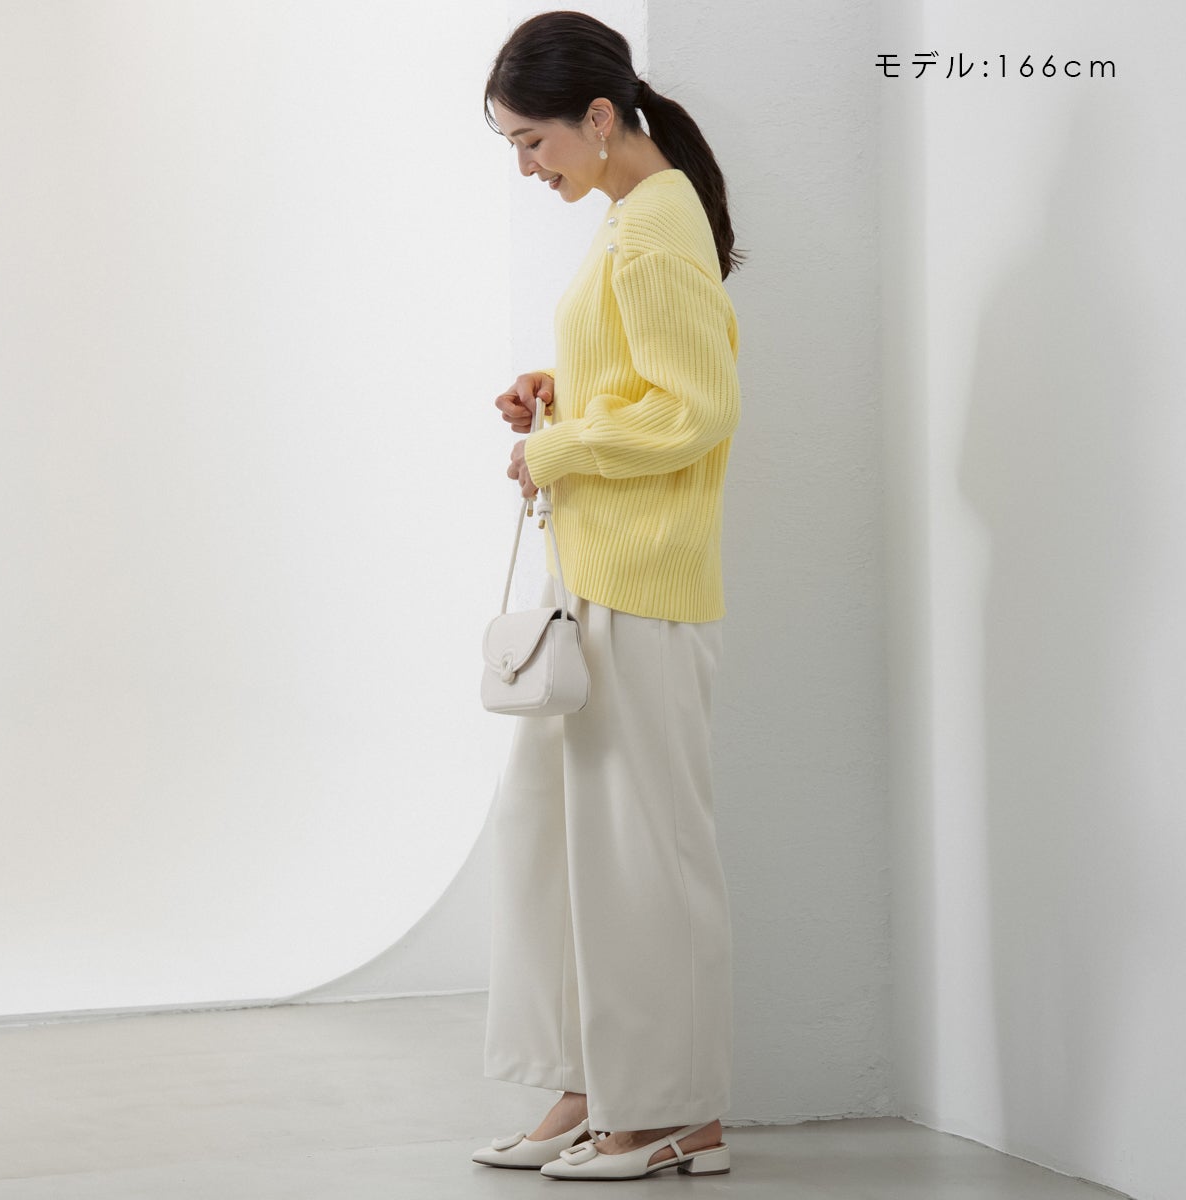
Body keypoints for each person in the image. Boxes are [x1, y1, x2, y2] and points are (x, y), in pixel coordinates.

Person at [471, 10, 742, 1182]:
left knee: (641, 863)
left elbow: (696, 409)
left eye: (532, 142)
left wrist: (562, 447)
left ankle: (674, 1112)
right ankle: (599, 1086)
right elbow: (644, 375)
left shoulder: (655, 224)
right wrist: (560, 388)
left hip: (642, 586)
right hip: (599, 582)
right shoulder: (633, 217)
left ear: (596, 116)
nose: (527, 168)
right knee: (565, 850)